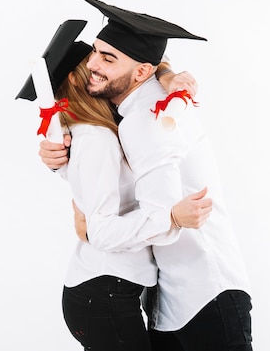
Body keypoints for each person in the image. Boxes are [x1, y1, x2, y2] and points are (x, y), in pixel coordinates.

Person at [41, 0, 253, 351]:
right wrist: (61, 159)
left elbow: (166, 218)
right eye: (94, 51)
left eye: (107, 58)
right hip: (170, 298)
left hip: (202, 294)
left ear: (141, 72)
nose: (92, 64)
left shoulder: (145, 122)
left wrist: (96, 230)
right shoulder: (137, 99)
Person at [18, 20, 213, 351]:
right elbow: (103, 230)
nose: (97, 68)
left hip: (108, 289)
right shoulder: (96, 139)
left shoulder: (99, 133)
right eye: (92, 64)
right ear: (77, 81)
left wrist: (167, 75)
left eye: (105, 61)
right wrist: (172, 218)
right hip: (103, 291)